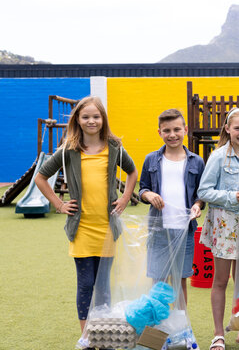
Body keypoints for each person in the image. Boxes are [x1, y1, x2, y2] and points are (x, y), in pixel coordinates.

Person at [34, 96, 138, 343]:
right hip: (81, 229)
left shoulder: (114, 148)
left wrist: (124, 199)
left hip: (106, 228)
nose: (91, 121)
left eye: (96, 116)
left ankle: (104, 333)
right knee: (86, 283)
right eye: (85, 117)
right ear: (78, 121)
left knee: (103, 285)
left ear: (103, 120)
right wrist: (58, 204)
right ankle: (88, 336)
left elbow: (132, 171)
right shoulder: (68, 150)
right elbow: (41, 177)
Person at [197, 108, 239, 350]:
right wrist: (232, 196)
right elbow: (204, 192)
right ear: (227, 129)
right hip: (224, 224)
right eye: (237, 128)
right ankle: (218, 334)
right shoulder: (218, 156)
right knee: (221, 280)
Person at [139, 109, 205, 304]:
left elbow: (201, 195)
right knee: (158, 281)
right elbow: (143, 189)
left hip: (185, 230)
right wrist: (149, 194)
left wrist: (197, 205)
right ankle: (157, 326)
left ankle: (181, 326)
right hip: (159, 229)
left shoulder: (197, 161)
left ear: (185, 129)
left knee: (180, 280)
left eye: (177, 129)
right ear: (159, 132)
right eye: (166, 130)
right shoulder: (151, 159)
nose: (172, 135)